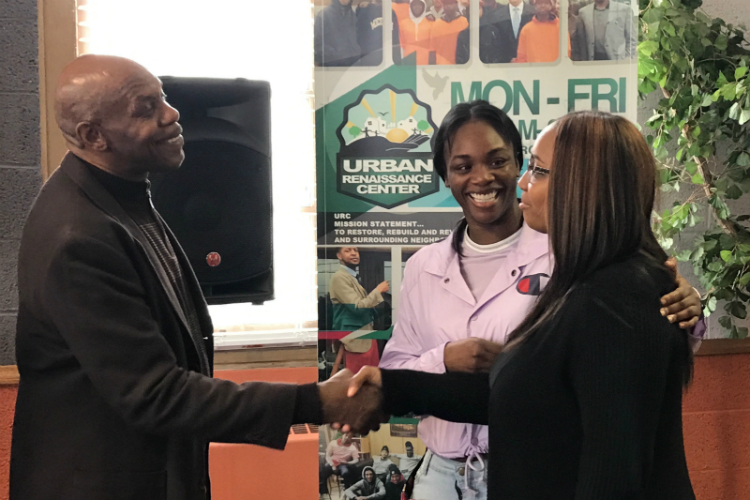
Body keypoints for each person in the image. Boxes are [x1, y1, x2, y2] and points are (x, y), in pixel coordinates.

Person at [9, 54, 382, 500]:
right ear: (94, 135)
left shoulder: (124, 198)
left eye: (162, 98)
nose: (172, 114)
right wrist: (314, 401)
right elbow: (155, 392)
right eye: (146, 108)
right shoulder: (80, 237)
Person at [350, 110, 697, 499]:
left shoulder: (603, 290)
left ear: (582, 186)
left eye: (535, 169)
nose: (522, 183)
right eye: (462, 166)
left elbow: (613, 465)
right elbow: (512, 396)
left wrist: (684, 306)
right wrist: (403, 381)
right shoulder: (424, 268)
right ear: (445, 175)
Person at [329, 246, 390, 374]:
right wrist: (378, 291)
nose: (353, 253)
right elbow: (357, 307)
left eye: (355, 250)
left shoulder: (351, 277)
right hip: (354, 340)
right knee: (356, 381)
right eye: (348, 250)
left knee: (369, 380)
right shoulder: (339, 277)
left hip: (364, 337)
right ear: (339, 256)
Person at [314, 0, 362, 67]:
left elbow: (357, 38)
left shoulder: (352, 15)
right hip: (331, 69)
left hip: (351, 67)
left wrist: (356, 53)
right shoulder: (323, 16)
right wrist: (337, 55)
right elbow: (318, 45)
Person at [393, 0, 435, 65]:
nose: (417, 7)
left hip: (425, 63)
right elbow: (401, 46)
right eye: (415, 5)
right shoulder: (403, 24)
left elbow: (433, 46)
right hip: (408, 63)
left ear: (423, 6)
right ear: (411, 6)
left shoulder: (431, 23)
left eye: (419, 5)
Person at [430, 0, 469, 65]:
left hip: (459, 67)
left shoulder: (464, 22)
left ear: (456, 4)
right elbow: (432, 49)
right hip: (441, 67)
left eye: (451, 4)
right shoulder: (436, 24)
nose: (448, 6)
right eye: (446, 4)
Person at [357, 0, 385, 65]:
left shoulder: (391, 13)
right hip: (369, 63)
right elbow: (359, 39)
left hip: (387, 64)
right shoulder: (364, 12)